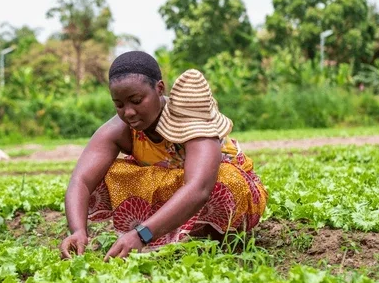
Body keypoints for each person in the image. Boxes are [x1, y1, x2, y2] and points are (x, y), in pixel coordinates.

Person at [59, 51, 267, 260]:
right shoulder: (121, 128)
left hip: (221, 194)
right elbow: (81, 180)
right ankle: (165, 235)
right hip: (175, 192)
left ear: (159, 88)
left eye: (136, 100)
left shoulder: (191, 117)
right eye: (120, 105)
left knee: (225, 181)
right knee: (111, 173)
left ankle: (207, 239)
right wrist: (78, 230)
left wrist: (142, 235)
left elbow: (199, 188)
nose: (128, 112)